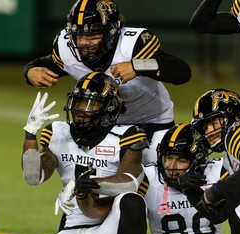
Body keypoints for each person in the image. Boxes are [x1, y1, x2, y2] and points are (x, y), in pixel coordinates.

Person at [23, 0, 191, 164]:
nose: (84, 43)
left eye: (93, 35)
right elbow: (40, 65)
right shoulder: (66, 50)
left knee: (159, 181)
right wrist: (30, 72)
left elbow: (181, 71)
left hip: (153, 123)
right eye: (80, 35)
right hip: (106, 129)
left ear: (111, 31)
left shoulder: (133, 44)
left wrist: (138, 65)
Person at [22, 72, 149, 234]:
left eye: (92, 103)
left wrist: (82, 185)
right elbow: (33, 176)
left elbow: (129, 183)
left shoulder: (126, 135)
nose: (82, 108)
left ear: (109, 107)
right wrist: (30, 133)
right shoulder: (58, 132)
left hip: (109, 228)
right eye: (79, 101)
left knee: (130, 200)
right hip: (72, 228)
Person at [178, 89, 240, 234]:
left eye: (213, 123)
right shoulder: (229, 159)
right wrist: (192, 192)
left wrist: (212, 193)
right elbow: (220, 213)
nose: (209, 132)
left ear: (235, 116)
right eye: (205, 128)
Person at [138, 122, 228, 234]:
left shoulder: (217, 172)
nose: (172, 166)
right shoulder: (149, 178)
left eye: (181, 160)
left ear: (197, 160)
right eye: (168, 158)